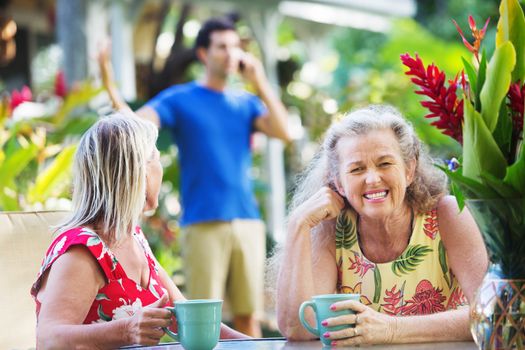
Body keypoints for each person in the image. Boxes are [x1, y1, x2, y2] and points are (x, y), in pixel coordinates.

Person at [98, 16, 290, 337]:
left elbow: (284, 132)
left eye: (234, 46)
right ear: (203, 54)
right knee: (203, 323)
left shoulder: (246, 103)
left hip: (247, 221)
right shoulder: (180, 99)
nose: (230, 54)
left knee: (249, 320)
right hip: (202, 222)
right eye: (221, 47)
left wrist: (260, 81)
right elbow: (133, 125)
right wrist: (108, 81)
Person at [276, 105, 488, 346]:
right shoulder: (331, 226)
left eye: (385, 163)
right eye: (357, 169)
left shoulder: (446, 215)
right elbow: (299, 328)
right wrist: (298, 224)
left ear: (409, 170)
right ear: (339, 183)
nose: (373, 179)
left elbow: (489, 313)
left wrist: (391, 328)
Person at [31, 113, 246, 349]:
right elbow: (48, 339)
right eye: (156, 159)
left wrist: (262, 345)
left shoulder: (132, 236)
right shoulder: (82, 250)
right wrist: (126, 330)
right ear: (137, 172)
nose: (160, 171)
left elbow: (189, 319)